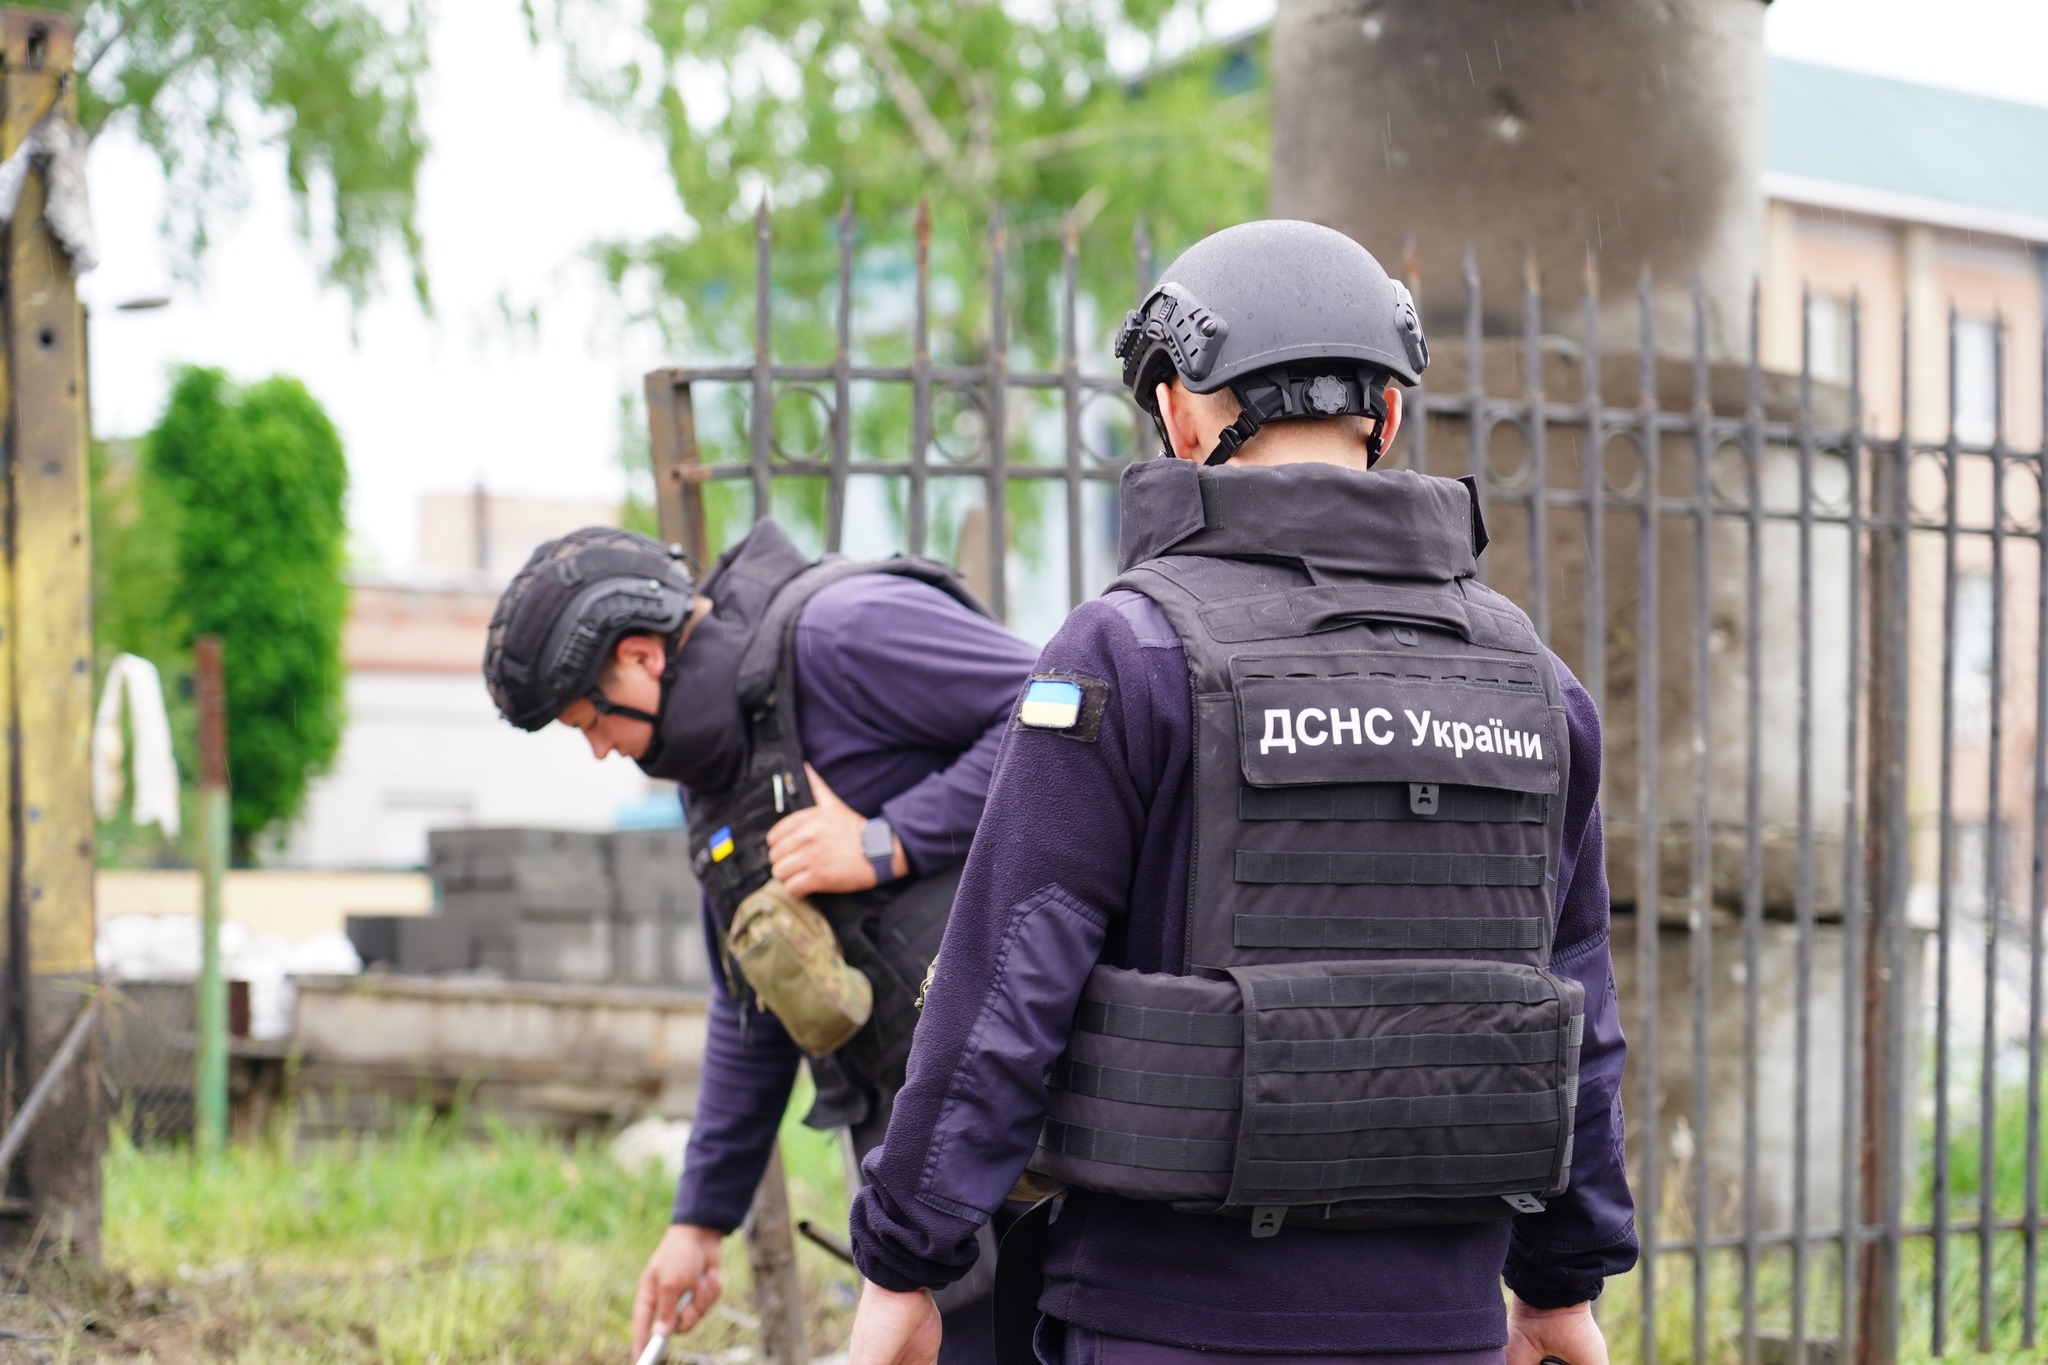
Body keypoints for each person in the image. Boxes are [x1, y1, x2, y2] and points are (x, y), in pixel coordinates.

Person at [845, 220, 1637, 1365]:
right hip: (1443, 1330)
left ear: (1177, 413)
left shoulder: (1125, 652)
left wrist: (903, 1261)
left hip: (1161, 1324)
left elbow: (1005, 983)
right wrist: (1562, 1287)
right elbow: (1579, 1015)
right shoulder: (1535, 683)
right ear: (1387, 416)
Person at [482, 520, 1040, 1364]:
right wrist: (698, 1222)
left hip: (1036, 1109)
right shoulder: (715, 771)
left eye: (588, 720)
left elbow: (1063, 713)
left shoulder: (841, 633)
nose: (597, 749)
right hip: (920, 1164)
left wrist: (887, 839)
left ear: (640, 656)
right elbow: (751, 1003)